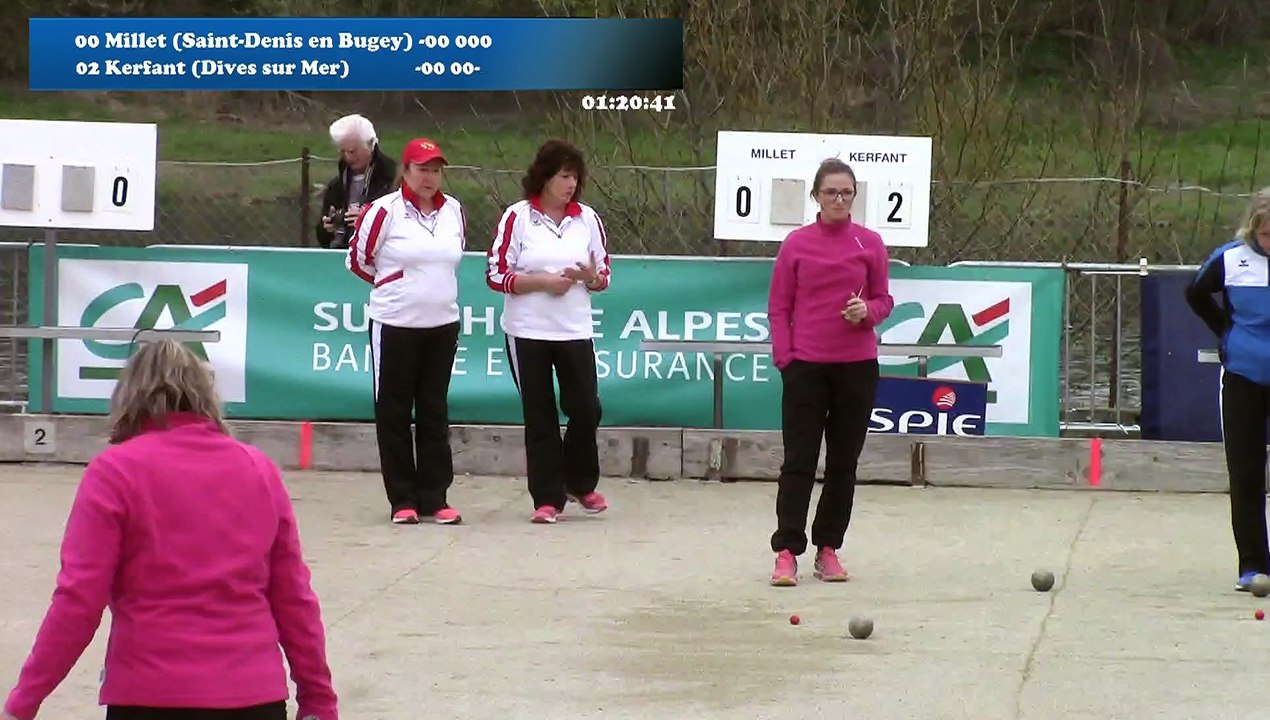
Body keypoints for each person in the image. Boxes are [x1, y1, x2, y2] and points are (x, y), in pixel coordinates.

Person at [1, 339, 337, 720]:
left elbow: (79, 599)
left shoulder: (113, 472)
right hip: (252, 693)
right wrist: (317, 698)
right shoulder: (258, 469)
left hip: (148, 692)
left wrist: (25, 700)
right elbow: (293, 597)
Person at [766, 158, 895, 587]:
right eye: (830, 193)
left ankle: (828, 548)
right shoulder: (797, 243)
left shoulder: (870, 243)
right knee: (798, 461)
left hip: (856, 367)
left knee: (843, 463)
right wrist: (786, 358)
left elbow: (884, 299)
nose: (839, 200)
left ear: (855, 197)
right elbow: (779, 306)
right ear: (817, 197)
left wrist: (868, 312)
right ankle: (787, 551)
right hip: (805, 366)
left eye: (846, 193)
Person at [485, 139, 612, 524]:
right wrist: (540, 281)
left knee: (586, 408)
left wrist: (590, 278)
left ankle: (580, 482)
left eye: (575, 177)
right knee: (539, 414)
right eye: (563, 176)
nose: (570, 184)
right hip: (528, 330)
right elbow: (495, 274)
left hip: (574, 328)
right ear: (544, 177)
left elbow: (603, 275)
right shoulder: (517, 217)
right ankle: (547, 497)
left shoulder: (587, 219)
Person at [347, 138, 466, 526]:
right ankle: (403, 499)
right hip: (395, 323)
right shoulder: (384, 211)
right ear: (406, 170)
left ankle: (436, 496)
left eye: (435, 170)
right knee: (394, 410)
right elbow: (359, 260)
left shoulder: (454, 212)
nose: (430, 177)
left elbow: (453, 257)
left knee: (434, 410)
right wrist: (394, 284)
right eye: (422, 169)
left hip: (442, 323)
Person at [1184, 186, 1270, 592]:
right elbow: (1196, 293)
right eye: (1268, 234)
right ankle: (1252, 565)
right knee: (1247, 473)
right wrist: (1226, 332)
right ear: (1253, 229)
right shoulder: (1230, 259)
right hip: (1243, 377)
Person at [315, 113, 396, 249]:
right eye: (342, 151)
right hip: (342, 255)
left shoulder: (394, 180)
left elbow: (407, 228)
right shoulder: (336, 186)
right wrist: (327, 229)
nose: (348, 157)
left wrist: (369, 223)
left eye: (353, 151)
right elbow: (323, 240)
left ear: (371, 145)